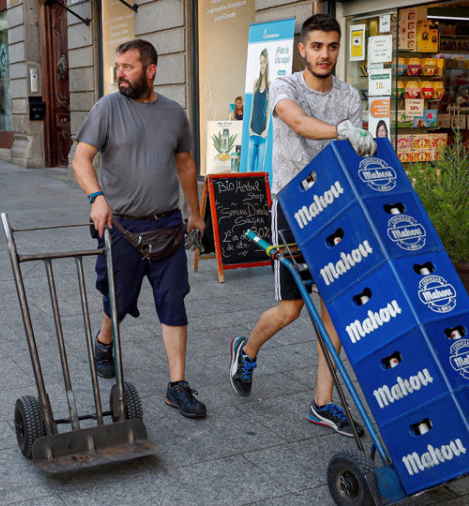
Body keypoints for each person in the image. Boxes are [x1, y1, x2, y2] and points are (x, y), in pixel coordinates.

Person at [229, 13, 377, 437]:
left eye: (332, 46)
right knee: (292, 309)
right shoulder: (285, 86)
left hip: (337, 211)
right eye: (317, 46)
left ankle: (322, 403)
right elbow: (295, 121)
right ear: (303, 50)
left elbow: (350, 153)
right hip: (294, 209)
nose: (325, 54)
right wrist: (342, 130)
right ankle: (248, 348)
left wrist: (360, 143)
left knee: (334, 310)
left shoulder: (349, 96)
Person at [72, 39, 208, 419]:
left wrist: (194, 213)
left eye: (127, 67)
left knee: (173, 301)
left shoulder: (174, 113)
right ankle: (104, 341)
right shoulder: (107, 108)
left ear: (150, 70)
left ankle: (176, 385)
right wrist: (96, 197)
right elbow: (81, 159)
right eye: (117, 67)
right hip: (121, 227)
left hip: (166, 225)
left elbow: (184, 165)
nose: (120, 74)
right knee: (117, 298)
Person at [247, 48, 270, 172]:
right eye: (260, 62)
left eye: (264, 62)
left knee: (260, 172)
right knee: (250, 170)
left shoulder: (270, 86)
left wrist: (266, 130)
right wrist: (249, 128)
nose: (262, 65)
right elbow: (252, 107)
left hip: (262, 136)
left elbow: (269, 111)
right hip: (253, 133)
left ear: (268, 64)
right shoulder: (255, 83)